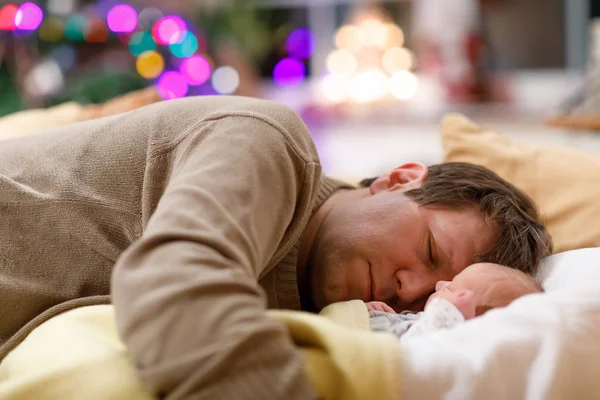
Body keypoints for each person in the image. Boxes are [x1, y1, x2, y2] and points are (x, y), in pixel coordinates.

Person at [0, 95, 552, 399]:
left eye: (429, 295)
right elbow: (172, 289)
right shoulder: (267, 142)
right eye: (429, 250)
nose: (408, 288)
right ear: (399, 177)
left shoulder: (334, 316)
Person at [367, 262, 543, 340]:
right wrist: (374, 313)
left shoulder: (436, 334)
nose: (439, 284)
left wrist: (452, 313)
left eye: (449, 289)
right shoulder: (417, 321)